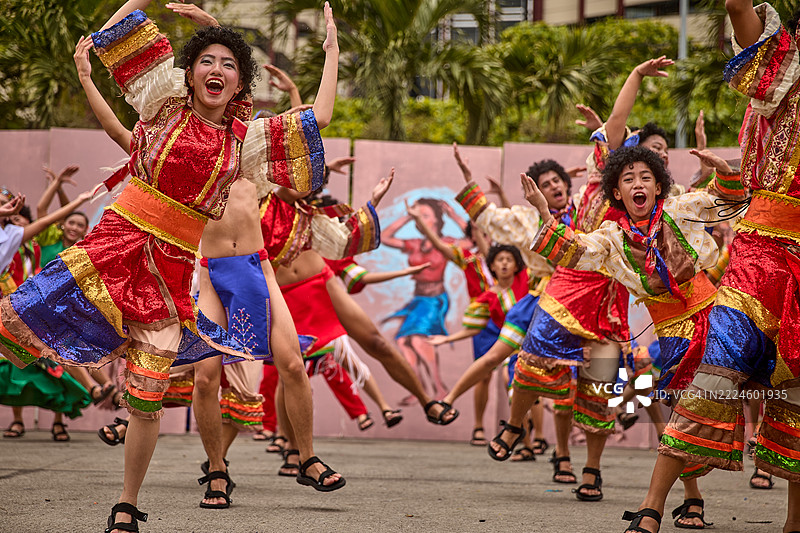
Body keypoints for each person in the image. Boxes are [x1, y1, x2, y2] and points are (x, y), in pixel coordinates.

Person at [0, 1, 339, 530]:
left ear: (239, 82)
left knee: (148, 392)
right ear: (190, 69)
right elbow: (113, 35)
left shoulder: (244, 141)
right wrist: (139, 1)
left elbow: (318, 119)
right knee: (26, 312)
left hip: (176, 266)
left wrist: (332, 50)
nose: (217, 71)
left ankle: (126, 504)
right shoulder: (164, 105)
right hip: (117, 244)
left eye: (229, 64)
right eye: (208, 61)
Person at [622, 2, 800, 532]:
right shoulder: (785, 69)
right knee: (714, 375)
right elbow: (737, 5)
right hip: (759, 256)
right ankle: (653, 510)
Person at [382, 197, 469, 401]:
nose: (420, 219)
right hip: (418, 299)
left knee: (419, 341)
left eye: (425, 215)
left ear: (437, 221)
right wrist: (407, 217)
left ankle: (439, 389)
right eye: (418, 215)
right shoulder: (414, 244)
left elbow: (474, 240)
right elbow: (385, 237)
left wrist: (453, 214)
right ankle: (419, 388)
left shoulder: (447, 243)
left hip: (435, 299)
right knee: (403, 341)